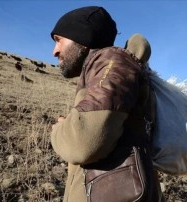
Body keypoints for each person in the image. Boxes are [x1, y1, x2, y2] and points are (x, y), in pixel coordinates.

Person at [50, 6, 162, 202]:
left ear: (82, 37)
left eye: (59, 40)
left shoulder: (113, 60)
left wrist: (59, 129)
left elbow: (83, 142)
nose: (54, 51)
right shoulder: (100, 68)